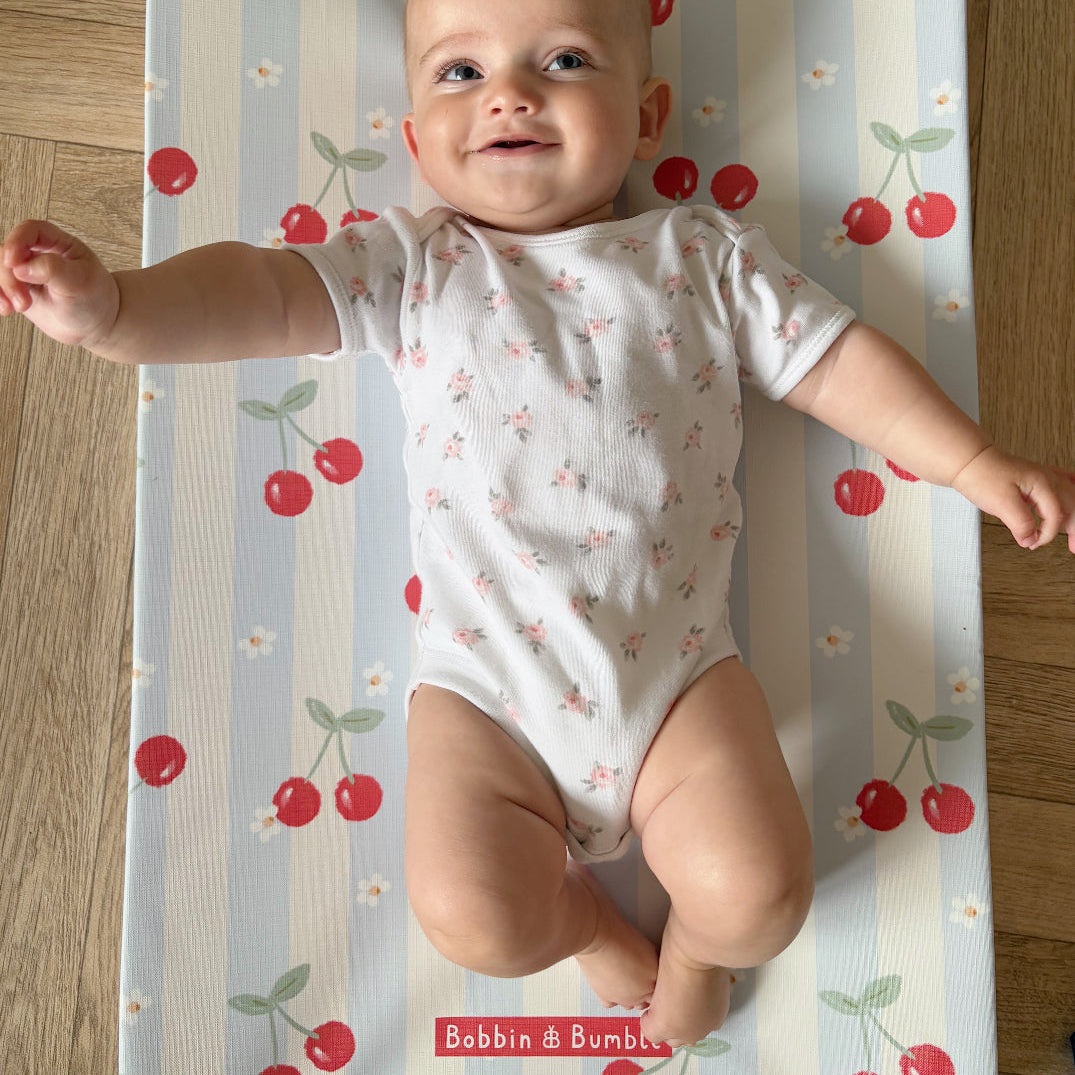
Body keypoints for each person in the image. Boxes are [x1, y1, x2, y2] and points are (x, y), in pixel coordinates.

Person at [2, 0, 1073, 1050]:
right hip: (486, 688)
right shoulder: (413, 267)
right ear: (416, 141)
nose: (509, 93)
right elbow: (260, 290)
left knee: (758, 895)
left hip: (680, 677)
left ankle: (697, 959)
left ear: (646, 118)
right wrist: (118, 311)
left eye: (562, 59)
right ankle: (586, 925)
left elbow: (835, 362)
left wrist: (970, 462)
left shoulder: (698, 256)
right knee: (476, 915)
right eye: (460, 71)